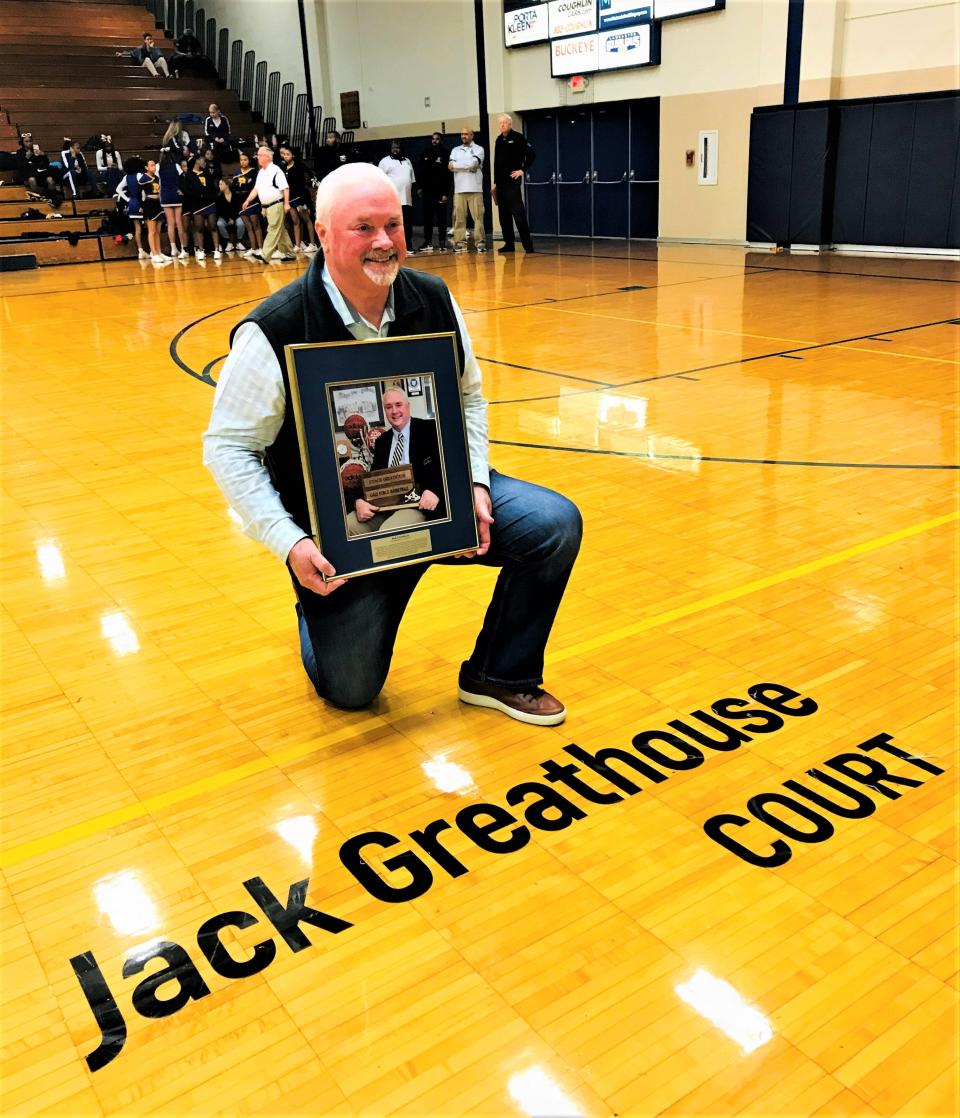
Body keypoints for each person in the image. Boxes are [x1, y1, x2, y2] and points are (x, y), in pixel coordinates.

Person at [203, 162, 580, 726]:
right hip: (344, 538)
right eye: (363, 228)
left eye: (393, 225)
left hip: (439, 505)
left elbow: (469, 397)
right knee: (353, 691)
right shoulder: (274, 329)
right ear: (322, 235)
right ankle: (316, 613)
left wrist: (474, 483)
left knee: (553, 524)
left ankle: (500, 673)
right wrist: (290, 543)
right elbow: (228, 448)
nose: (384, 242)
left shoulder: (432, 297)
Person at [346, 388, 445, 537]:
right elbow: (372, 479)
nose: (394, 411)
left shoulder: (430, 429)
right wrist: (359, 501)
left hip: (417, 506)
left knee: (389, 532)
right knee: (348, 524)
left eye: (398, 405)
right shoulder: (382, 441)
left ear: (408, 406)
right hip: (384, 507)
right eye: (389, 407)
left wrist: (435, 490)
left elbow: (448, 467)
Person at [241, 144, 296, 262]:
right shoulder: (261, 172)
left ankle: (265, 255)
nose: (257, 157)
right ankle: (290, 254)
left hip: (276, 204)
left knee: (272, 229)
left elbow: (285, 188)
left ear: (267, 157)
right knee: (280, 230)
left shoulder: (276, 170)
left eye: (259, 155)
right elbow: (256, 189)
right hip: (267, 206)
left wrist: (286, 204)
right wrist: (248, 200)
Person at [493, 113, 536, 254]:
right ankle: (509, 244)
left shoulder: (517, 137)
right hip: (500, 184)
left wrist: (522, 170)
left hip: (512, 183)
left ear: (510, 124)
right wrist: (495, 183)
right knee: (503, 216)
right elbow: (496, 163)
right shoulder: (498, 140)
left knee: (518, 214)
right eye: (500, 123)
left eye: (505, 122)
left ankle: (528, 246)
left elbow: (531, 154)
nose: (502, 125)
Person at [448, 127, 485, 254]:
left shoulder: (479, 149)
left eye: (466, 134)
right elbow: (450, 166)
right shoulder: (455, 150)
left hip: (475, 188)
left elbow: (474, 165)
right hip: (459, 190)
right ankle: (459, 243)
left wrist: (457, 166)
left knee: (478, 217)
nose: (463, 136)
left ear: (472, 135)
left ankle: (480, 242)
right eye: (462, 134)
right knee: (459, 218)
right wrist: (466, 166)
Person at [278, 144, 318, 254]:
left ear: (293, 155)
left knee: (307, 220)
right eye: (284, 154)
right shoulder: (284, 167)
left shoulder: (299, 166)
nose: (285, 156)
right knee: (296, 221)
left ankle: (313, 244)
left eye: (288, 154)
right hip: (290, 198)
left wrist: (303, 201)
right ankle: (297, 244)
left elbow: (303, 184)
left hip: (300, 197)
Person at [377, 141, 416, 253]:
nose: (395, 149)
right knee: (392, 226)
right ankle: (391, 248)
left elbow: (412, 179)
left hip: (407, 200)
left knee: (407, 225)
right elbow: (380, 181)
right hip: (392, 201)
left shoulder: (407, 161)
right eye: (393, 147)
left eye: (397, 147)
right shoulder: (384, 161)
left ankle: (408, 246)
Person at [416, 132, 452, 253]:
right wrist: (420, 187)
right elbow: (420, 171)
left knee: (441, 218)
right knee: (427, 218)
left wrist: (445, 193)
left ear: (441, 140)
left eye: (437, 139)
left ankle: (442, 242)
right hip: (427, 192)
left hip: (440, 193)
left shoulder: (446, 153)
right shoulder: (425, 152)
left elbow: (448, 176)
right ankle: (428, 242)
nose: (434, 141)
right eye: (433, 139)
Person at [182, 154, 221, 261]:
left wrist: (209, 195)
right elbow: (187, 191)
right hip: (197, 204)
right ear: (197, 161)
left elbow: (212, 188)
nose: (204, 162)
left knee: (212, 226)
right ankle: (200, 250)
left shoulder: (207, 173)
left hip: (209, 202)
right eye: (202, 160)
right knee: (199, 228)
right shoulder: (189, 175)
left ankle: (217, 250)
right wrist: (199, 195)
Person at [137, 158, 171, 264]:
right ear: (146, 168)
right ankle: (154, 253)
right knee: (151, 231)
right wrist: (142, 205)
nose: (154, 167)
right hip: (149, 205)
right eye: (151, 165)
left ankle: (159, 252)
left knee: (158, 231)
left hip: (158, 205)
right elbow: (138, 194)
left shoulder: (156, 177)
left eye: (154, 165)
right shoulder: (143, 179)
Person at [232, 151, 263, 259]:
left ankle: (260, 248)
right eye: (241, 160)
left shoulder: (254, 172)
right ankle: (253, 248)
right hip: (240, 201)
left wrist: (245, 186)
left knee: (255, 225)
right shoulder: (236, 172)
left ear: (249, 160)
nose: (243, 162)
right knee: (248, 226)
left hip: (252, 200)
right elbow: (234, 186)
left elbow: (253, 187)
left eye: (245, 159)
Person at [159, 149, 189, 258]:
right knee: (179, 223)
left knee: (170, 223)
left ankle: (173, 249)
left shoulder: (158, 167)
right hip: (176, 195)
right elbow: (182, 177)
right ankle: (183, 249)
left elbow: (159, 183)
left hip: (165, 196)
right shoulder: (176, 166)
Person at [216, 176, 245, 253]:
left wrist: (233, 219)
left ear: (227, 185)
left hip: (235, 216)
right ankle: (229, 242)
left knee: (241, 223)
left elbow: (238, 209)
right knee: (219, 223)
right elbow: (220, 211)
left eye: (221, 184)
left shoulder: (236, 195)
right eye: (219, 184)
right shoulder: (219, 197)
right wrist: (228, 219)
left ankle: (239, 242)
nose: (219, 186)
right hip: (225, 217)